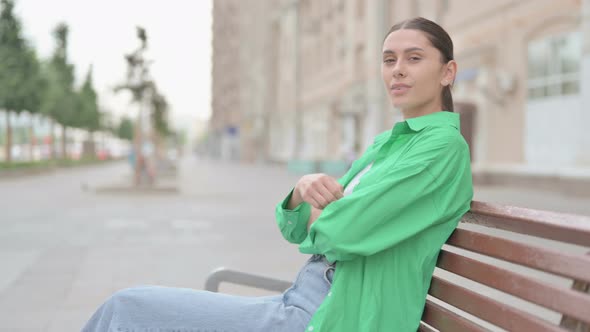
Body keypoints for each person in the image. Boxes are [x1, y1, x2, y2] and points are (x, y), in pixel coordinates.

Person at [81, 17, 473, 332]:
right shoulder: (388, 143)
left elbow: (343, 232)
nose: (398, 71)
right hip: (305, 298)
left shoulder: (440, 148)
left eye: (414, 58)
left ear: (447, 72)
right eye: (389, 60)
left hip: (336, 316)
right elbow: (296, 228)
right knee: (130, 308)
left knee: (128, 309)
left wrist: (331, 216)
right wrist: (302, 191)